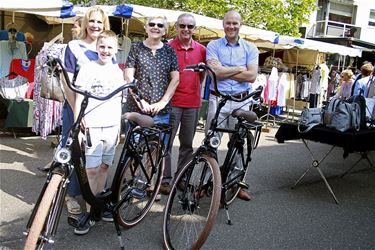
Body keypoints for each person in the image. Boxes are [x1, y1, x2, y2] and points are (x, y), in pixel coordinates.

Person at [61, 6, 111, 231]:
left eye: (99, 22)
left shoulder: (106, 48)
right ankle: (71, 195)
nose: (95, 26)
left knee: (96, 157)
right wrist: (75, 112)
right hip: (75, 109)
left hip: (100, 114)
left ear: (105, 25)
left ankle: (95, 197)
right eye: (91, 21)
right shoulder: (74, 47)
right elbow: (67, 82)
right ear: (84, 23)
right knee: (73, 152)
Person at [72, 30, 125, 235]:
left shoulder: (117, 71)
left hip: (111, 125)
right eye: (102, 46)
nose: (105, 50)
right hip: (92, 124)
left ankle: (99, 206)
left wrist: (119, 127)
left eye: (110, 47)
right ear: (97, 47)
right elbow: (78, 98)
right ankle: (89, 210)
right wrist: (79, 120)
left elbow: (119, 101)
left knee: (104, 167)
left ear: (115, 49)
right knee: (91, 169)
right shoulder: (87, 68)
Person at [205, 10, 259, 201]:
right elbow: (215, 72)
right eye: (228, 23)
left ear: (240, 25)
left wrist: (223, 70)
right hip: (217, 99)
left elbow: (252, 76)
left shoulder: (251, 48)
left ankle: (236, 184)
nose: (231, 26)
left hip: (242, 100)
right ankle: (208, 182)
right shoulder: (213, 45)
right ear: (223, 24)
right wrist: (238, 69)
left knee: (238, 143)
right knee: (210, 141)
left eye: (235, 23)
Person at [124, 16, 179, 198]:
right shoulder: (136, 47)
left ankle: (150, 184)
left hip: (161, 110)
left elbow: (175, 78)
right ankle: (129, 183)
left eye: (160, 25)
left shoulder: (170, 51)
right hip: (137, 107)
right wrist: (141, 101)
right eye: (152, 24)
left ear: (165, 30)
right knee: (133, 149)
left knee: (155, 150)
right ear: (146, 27)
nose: (156, 27)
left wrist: (163, 102)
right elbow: (128, 77)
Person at [162, 13, 206, 194]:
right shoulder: (167, 47)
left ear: (194, 29)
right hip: (172, 103)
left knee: (187, 144)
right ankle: (165, 179)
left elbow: (201, 76)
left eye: (190, 26)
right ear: (176, 27)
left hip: (192, 103)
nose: (186, 29)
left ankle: (181, 178)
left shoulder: (202, 50)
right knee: (166, 143)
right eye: (182, 26)